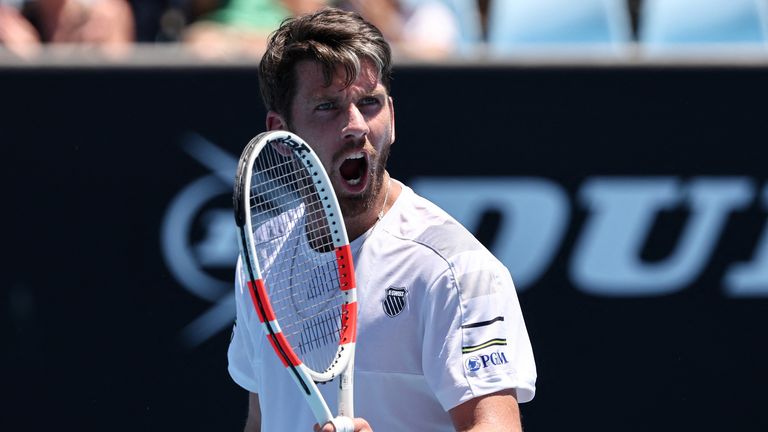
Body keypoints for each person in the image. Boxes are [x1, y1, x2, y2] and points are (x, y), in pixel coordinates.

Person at [227, 7, 537, 431]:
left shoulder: (456, 269)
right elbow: (262, 418)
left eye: (369, 103)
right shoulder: (262, 254)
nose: (355, 126)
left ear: (391, 115)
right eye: (327, 106)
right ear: (282, 133)